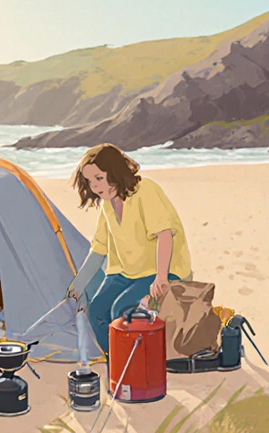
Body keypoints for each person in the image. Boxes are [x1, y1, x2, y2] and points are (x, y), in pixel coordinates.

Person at [65, 144, 192, 358]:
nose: (94, 186)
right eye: (89, 181)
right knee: (96, 311)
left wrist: (161, 277)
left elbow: (164, 234)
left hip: (160, 269)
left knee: (120, 311)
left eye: (98, 178)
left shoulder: (146, 190)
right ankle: (116, 359)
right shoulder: (106, 205)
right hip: (124, 273)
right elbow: (99, 249)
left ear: (114, 171)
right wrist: (78, 284)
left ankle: (134, 362)